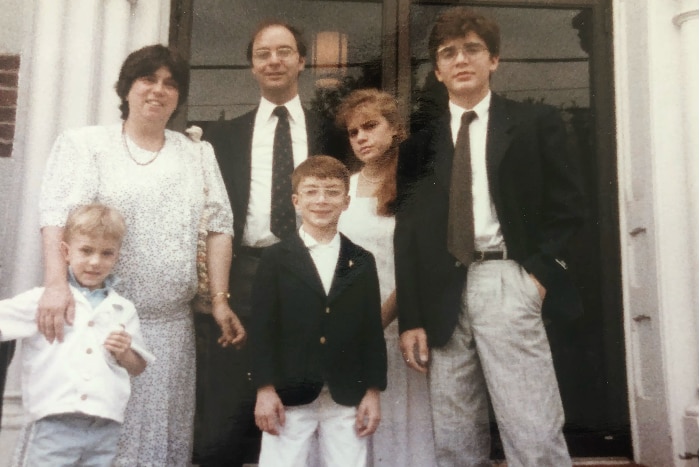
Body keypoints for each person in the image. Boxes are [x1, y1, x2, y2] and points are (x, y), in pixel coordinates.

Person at [395, 7, 587, 467]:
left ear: (494, 60)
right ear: (438, 71)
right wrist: (411, 318)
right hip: (443, 288)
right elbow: (410, 235)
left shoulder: (533, 123)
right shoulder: (420, 144)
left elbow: (569, 209)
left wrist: (537, 277)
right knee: (456, 437)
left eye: (472, 49)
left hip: (508, 279)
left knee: (532, 428)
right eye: (448, 52)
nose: (461, 59)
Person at [37, 44, 243, 467]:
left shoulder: (197, 153)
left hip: (169, 330)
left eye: (170, 83)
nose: (158, 90)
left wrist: (220, 301)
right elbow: (56, 217)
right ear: (126, 88)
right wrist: (56, 285)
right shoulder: (86, 145)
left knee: (159, 445)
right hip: (100, 321)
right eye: (147, 79)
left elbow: (220, 227)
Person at [199, 19, 343, 465]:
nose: (274, 61)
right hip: (246, 270)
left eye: (284, 51)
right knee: (231, 394)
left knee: (304, 394)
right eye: (263, 54)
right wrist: (219, 294)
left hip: (314, 268)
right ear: (251, 66)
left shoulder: (334, 131)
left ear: (302, 60)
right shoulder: (223, 137)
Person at [249, 155, 387, 467]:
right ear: (296, 201)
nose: (321, 200)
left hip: (345, 392)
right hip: (289, 393)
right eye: (311, 192)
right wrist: (265, 389)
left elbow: (371, 331)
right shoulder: (275, 259)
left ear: (347, 201)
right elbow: (262, 328)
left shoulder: (361, 261)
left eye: (332, 192)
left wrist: (373, 392)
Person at [1, 204, 155, 466]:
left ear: (117, 257)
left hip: (104, 427)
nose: (95, 261)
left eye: (106, 253)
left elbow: (138, 366)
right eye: (86, 250)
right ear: (66, 251)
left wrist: (124, 351)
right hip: (53, 422)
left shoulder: (122, 308)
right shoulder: (45, 300)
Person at [335, 88, 437, 466]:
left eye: (370, 126)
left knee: (399, 433)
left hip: (396, 327)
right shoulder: (342, 185)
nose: (361, 137)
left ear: (395, 129)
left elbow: (415, 264)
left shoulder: (414, 188)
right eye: (353, 132)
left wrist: (377, 322)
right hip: (350, 327)